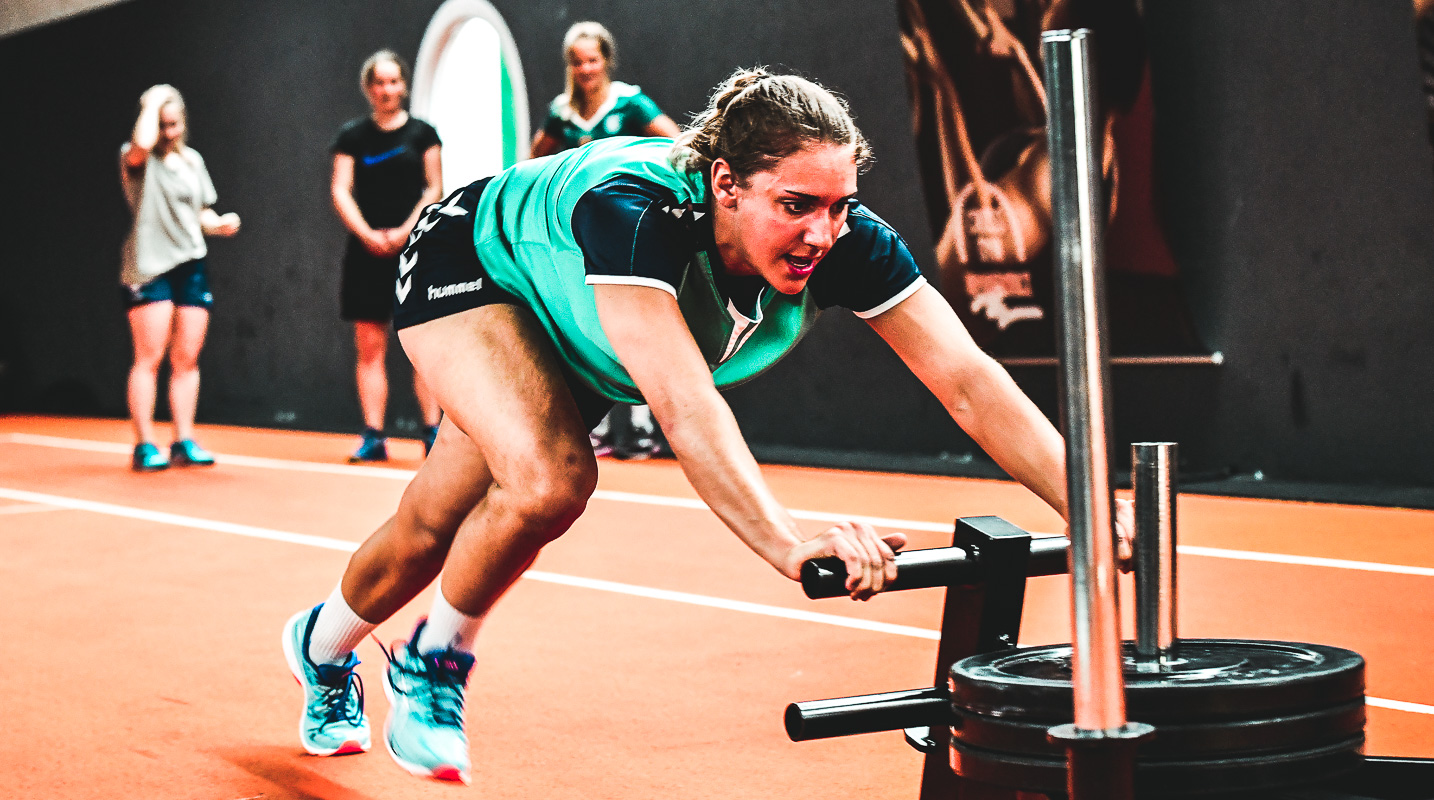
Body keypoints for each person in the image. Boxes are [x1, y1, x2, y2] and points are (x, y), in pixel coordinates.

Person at [281, 68, 1134, 783]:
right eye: (797, 205)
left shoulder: (846, 240)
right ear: (726, 183)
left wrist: (1091, 506)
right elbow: (684, 403)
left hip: (575, 313)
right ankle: (435, 659)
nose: (822, 234)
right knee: (550, 478)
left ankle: (318, 646)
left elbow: (970, 383)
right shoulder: (640, 213)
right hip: (475, 264)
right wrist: (787, 541)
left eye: (841, 206)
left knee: (433, 524)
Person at [530, 21, 683, 459]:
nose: (585, 68)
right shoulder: (562, 113)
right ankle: (592, 427)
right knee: (584, 328)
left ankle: (639, 428)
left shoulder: (630, 103)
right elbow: (532, 159)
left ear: (606, 60)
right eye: (577, 61)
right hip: (576, 238)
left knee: (632, 327)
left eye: (592, 59)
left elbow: (677, 142)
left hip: (628, 232)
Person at [119, 85, 240, 472]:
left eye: (174, 124)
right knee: (149, 357)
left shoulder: (192, 161)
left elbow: (200, 212)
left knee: (187, 358)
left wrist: (218, 224)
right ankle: (144, 444)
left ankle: (183, 440)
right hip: (150, 266)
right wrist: (153, 99)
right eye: (161, 124)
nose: (168, 132)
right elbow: (141, 143)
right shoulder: (136, 157)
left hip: (191, 264)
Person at [331, 49, 444, 461]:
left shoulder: (423, 134)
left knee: (423, 347)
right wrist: (367, 235)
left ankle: (432, 434)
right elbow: (341, 189)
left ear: (404, 85)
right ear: (368, 88)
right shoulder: (352, 137)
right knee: (370, 347)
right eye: (379, 83)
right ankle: (373, 436)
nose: (387, 90)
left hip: (415, 250)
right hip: (366, 254)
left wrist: (405, 231)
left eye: (393, 81)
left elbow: (434, 188)